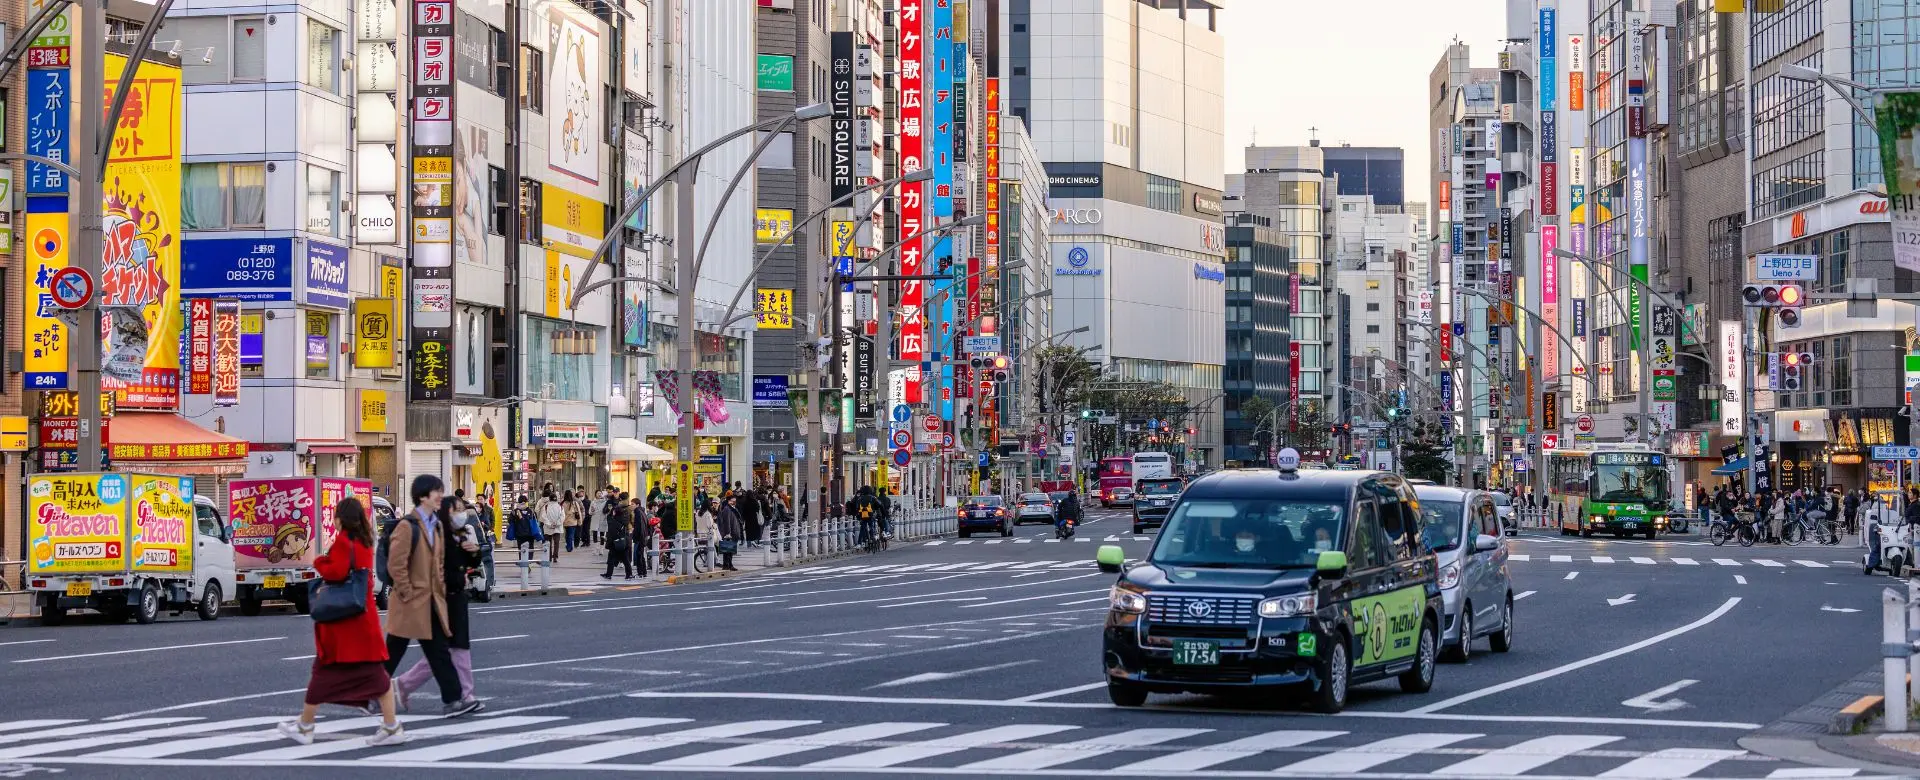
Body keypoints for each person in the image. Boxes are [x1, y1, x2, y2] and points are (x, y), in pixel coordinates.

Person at [279, 497, 408, 746]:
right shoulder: (364, 542)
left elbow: (335, 571)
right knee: (375, 675)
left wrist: (319, 561)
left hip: (344, 624)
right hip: (361, 619)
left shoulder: (343, 542)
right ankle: (391, 725)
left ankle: (306, 726)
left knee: (323, 671)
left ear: (341, 519)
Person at [382, 475, 481, 718]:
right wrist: (407, 592)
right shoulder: (408, 526)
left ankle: (455, 700)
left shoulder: (435, 526)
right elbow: (396, 566)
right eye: (437, 492)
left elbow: (437, 565)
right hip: (411, 601)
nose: (441, 496)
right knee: (393, 652)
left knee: (438, 651)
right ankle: (371, 694)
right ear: (423, 496)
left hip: (432, 600)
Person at [602, 492, 635, 580]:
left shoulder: (618, 511)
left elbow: (611, 521)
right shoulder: (627, 510)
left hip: (618, 537)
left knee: (619, 557)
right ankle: (611, 574)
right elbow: (631, 522)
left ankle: (611, 574)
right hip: (622, 536)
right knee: (619, 557)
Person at [715, 495, 744, 571]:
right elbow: (727, 522)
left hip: (734, 531)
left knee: (729, 550)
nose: (734, 501)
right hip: (730, 533)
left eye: (734, 500)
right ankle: (727, 565)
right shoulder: (727, 509)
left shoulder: (733, 508)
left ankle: (728, 565)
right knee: (728, 550)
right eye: (732, 500)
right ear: (728, 501)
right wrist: (728, 533)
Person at [538, 489, 565, 563]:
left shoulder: (546, 507)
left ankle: (549, 557)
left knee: (548, 543)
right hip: (557, 528)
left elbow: (544, 517)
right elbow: (562, 517)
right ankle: (555, 557)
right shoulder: (560, 507)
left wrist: (549, 524)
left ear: (549, 499)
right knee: (556, 543)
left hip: (547, 528)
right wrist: (557, 523)